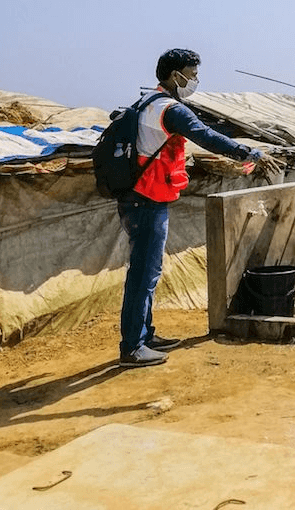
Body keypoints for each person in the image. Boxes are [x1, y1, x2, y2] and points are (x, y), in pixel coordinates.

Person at [118, 48, 279, 368]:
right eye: (191, 76)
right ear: (175, 75)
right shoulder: (170, 109)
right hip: (147, 199)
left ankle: (144, 335)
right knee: (144, 274)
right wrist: (250, 153)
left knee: (147, 271)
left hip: (139, 197)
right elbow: (206, 136)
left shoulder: (146, 102)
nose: (194, 81)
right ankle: (133, 347)